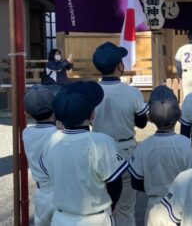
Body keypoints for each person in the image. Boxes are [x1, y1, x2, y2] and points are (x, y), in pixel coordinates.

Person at [39, 81, 127, 226]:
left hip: (61, 217)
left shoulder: (51, 141)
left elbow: (47, 173)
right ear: (92, 114)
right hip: (96, 218)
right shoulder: (102, 141)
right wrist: (113, 205)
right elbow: (115, 182)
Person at [91, 42, 149, 226]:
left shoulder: (91, 92)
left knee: (100, 207)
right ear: (119, 66)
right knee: (125, 209)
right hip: (125, 152)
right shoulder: (132, 92)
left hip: (98, 153)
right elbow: (142, 123)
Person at [129, 85, 192, 225]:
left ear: (151, 118)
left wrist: (153, 185)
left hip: (154, 207)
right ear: (178, 114)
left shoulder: (143, 147)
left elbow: (136, 182)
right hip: (183, 207)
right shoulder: (188, 145)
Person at [22, 85, 58, 226]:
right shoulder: (59, 132)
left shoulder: (27, 133)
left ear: (28, 114)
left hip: (42, 192)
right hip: (62, 189)